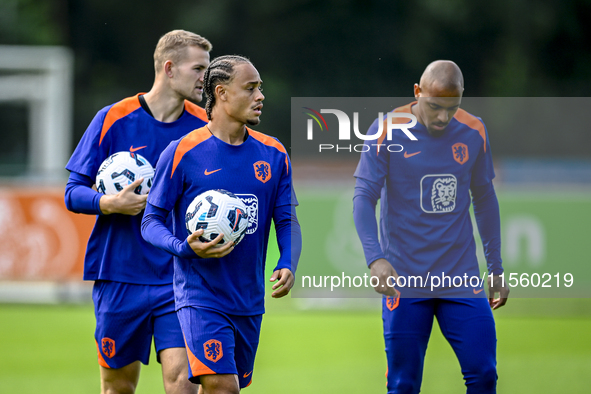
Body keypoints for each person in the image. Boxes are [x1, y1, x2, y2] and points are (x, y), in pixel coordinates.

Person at [141, 55, 302, 393]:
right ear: (222, 93)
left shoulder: (274, 154)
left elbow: (286, 220)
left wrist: (287, 262)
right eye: (251, 88)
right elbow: (150, 222)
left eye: (261, 89)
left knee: (222, 388)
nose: (260, 97)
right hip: (199, 295)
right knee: (222, 387)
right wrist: (184, 248)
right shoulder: (182, 152)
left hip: (248, 300)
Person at [64, 30, 212, 394]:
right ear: (169, 68)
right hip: (120, 273)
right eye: (199, 69)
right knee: (118, 386)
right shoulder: (112, 118)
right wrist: (109, 203)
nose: (206, 79)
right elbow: (72, 193)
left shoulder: (203, 128)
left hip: (178, 278)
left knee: (182, 381)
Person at [353, 60, 510, 394]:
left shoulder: (474, 131)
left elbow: (484, 199)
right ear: (417, 92)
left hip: (460, 277)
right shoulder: (386, 130)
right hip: (406, 280)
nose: (442, 117)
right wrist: (375, 258)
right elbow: (364, 197)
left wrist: (495, 267)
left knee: (484, 375)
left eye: (452, 108)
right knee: (403, 384)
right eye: (435, 106)